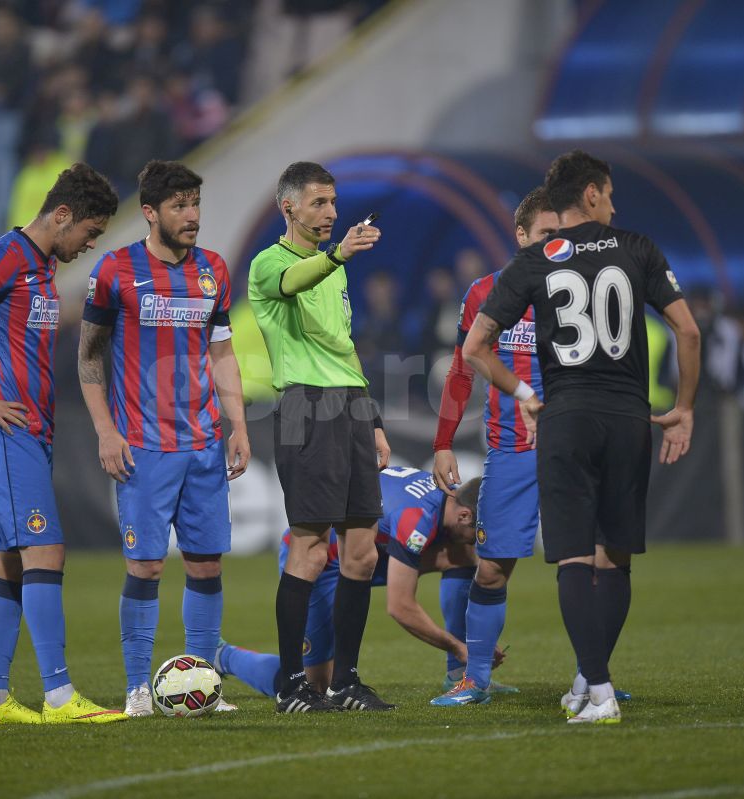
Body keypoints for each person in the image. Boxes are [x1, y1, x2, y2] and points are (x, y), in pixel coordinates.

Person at [464, 150, 700, 724]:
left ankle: (597, 690)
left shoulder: (534, 260)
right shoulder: (637, 247)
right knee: (613, 557)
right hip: (629, 419)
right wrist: (686, 408)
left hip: (565, 418)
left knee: (571, 557)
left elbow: (475, 348)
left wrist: (524, 397)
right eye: (610, 194)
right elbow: (688, 331)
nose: (614, 205)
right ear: (591, 194)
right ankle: (590, 678)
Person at [0, 162, 125, 725]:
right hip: (5, 431)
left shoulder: (37, 267)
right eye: (89, 232)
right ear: (62, 215)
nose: (90, 244)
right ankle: (60, 696)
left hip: (28, 434)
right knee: (46, 551)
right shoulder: (10, 255)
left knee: (9, 562)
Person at [77, 160, 249, 718]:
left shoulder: (214, 271)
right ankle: (135, 688)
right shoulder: (114, 271)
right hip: (143, 447)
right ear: (150, 212)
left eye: (196, 203)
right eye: (180, 206)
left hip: (202, 444)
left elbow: (221, 352)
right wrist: (105, 430)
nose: (192, 215)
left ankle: (203, 684)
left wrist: (238, 425)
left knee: (206, 565)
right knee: (146, 567)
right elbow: (88, 357)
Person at [248, 160, 393, 712]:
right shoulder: (269, 264)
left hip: (352, 406)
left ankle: (345, 681)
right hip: (304, 407)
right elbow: (293, 281)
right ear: (289, 207)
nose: (331, 213)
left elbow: (344, 346)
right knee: (309, 549)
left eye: (333, 203)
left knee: (361, 554)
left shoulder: (336, 269)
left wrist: (373, 419)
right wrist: (337, 255)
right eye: (318, 203)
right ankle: (291, 683)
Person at [218, 469, 514, 696]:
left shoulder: (439, 494)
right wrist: (458, 645)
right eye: (479, 531)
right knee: (315, 685)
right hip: (322, 559)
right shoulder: (416, 519)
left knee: (462, 555)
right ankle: (224, 656)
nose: (479, 539)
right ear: (464, 514)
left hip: (367, 551)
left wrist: (472, 645)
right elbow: (400, 607)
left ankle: (460, 674)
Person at [429, 187, 558, 706]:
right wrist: (442, 443)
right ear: (521, 234)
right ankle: (472, 677)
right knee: (489, 565)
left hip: (573, 445)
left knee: (591, 562)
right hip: (512, 452)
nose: (557, 245)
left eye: (563, 235)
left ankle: (595, 677)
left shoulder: (581, 290)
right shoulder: (487, 292)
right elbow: (463, 370)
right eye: (547, 235)